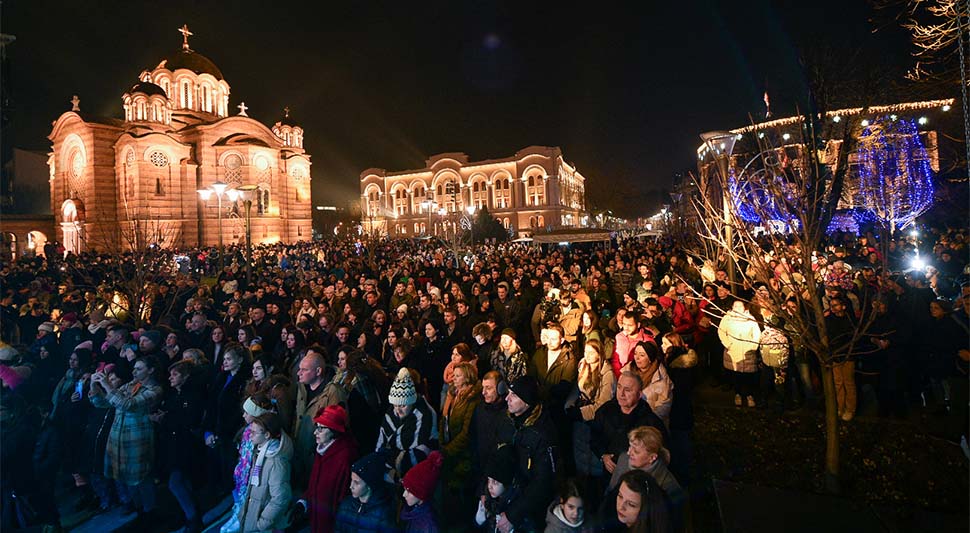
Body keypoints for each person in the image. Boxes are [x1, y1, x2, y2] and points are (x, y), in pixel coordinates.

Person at [89, 355, 163, 526]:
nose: (134, 371)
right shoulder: (130, 385)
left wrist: (107, 385)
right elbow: (104, 403)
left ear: (151, 370)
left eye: (139, 368)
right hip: (118, 437)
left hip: (138, 439)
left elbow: (127, 405)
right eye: (134, 368)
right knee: (124, 478)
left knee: (142, 478)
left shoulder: (154, 389)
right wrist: (95, 385)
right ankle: (139, 510)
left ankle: (150, 512)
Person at [155, 360, 206, 533]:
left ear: (186, 376)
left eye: (175, 374)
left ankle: (193, 517)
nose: (171, 377)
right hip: (174, 444)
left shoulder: (192, 395)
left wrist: (165, 419)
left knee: (175, 483)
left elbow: (188, 420)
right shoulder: (174, 395)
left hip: (186, 445)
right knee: (182, 482)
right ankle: (190, 514)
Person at [504, 375, 560, 529]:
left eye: (514, 395)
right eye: (508, 392)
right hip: (509, 498)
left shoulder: (543, 434)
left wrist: (513, 514)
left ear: (527, 401)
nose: (506, 398)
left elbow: (542, 482)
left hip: (529, 513)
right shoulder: (510, 421)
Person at [294, 405, 358, 533]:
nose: (315, 432)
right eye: (316, 427)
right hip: (316, 520)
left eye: (321, 429)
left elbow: (342, 498)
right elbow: (315, 484)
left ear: (334, 431)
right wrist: (304, 502)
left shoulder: (344, 458)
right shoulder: (322, 449)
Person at [293, 351, 345, 490]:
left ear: (318, 371)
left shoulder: (333, 392)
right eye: (299, 369)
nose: (299, 373)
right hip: (301, 452)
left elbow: (337, 428)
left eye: (304, 370)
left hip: (318, 455)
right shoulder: (302, 388)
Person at [204, 342, 251, 494]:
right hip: (217, 431)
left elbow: (238, 411)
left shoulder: (245, 381)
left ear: (240, 360)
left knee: (229, 467)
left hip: (232, 433)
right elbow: (212, 405)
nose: (225, 362)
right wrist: (208, 431)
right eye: (224, 359)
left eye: (229, 359)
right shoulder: (221, 377)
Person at [377, 368, 438, 480]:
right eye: (395, 405)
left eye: (403, 406)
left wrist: (390, 456)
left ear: (412, 402)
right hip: (391, 475)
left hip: (416, 476)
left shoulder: (425, 415)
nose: (398, 410)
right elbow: (381, 444)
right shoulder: (391, 412)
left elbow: (421, 452)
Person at [440, 362, 481, 526]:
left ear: (467, 377)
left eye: (457, 376)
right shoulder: (453, 393)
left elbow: (467, 432)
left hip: (463, 455)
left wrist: (447, 450)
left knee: (461, 495)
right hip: (449, 448)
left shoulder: (472, 399)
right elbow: (445, 418)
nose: (453, 378)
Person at [237, 412, 293, 533]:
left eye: (254, 432)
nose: (249, 435)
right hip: (253, 519)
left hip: (265, 527)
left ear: (267, 435)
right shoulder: (260, 452)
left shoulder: (276, 462)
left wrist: (262, 524)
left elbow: (281, 498)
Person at [333, 452, 397, 532]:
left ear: (369, 485)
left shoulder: (383, 513)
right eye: (351, 480)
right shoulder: (346, 504)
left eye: (356, 482)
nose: (351, 486)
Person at [718, 300, 761, 407]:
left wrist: (753, 346)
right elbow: (721, 331)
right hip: (733, 350)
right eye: (735, 306)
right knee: (736, 375)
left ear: (744, 307)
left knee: (748, 375)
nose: (738, 308)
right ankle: (738, 394)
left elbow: (756, 334)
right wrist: (728, 344)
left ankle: (749, 395)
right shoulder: (727, 318)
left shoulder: (750, 318)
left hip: (748, 350)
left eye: (740, 306)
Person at [600, 469, 672, 533]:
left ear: (646, 508)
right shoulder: (608, 517)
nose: (621, 507)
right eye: (620, 496)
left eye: (631, 504)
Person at [629, 341, 673, 425]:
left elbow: (664, 407)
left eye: (642, 355)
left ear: (650, 359)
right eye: (635, 353)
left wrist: (645, 421)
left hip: (650, 426)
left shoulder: (661, 379)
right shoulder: (628, 370)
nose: (637, 358)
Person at [400, 450, 444, 532]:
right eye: (405, 489)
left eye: (409, 491)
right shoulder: (415, 511)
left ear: (422, 493)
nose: (404, 494)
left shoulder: (428, 527)